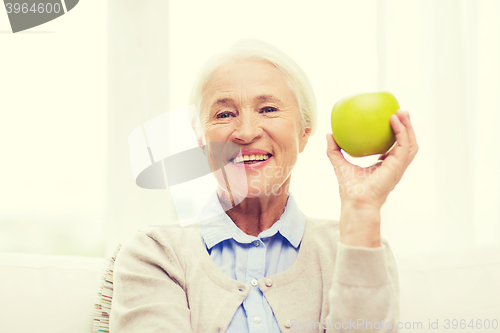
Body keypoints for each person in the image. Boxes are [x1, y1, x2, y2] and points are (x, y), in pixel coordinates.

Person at [109, 39, 418, 333]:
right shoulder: (154, 254)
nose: (245, 132)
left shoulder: (357, 248)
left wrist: (362, 211)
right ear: (201, 140)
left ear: (304, 131)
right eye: (225, 114)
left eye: (268, 109)